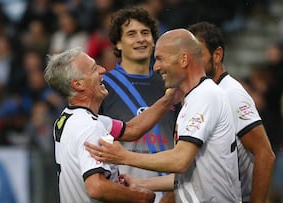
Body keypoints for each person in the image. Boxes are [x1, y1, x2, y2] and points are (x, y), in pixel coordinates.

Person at [85, 29, 242, 203]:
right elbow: (191, 173)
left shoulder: (206, 96)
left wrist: (125, 157)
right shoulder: (191, 98)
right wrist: (140, 182)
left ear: (183, 60)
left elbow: (180, 160)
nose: (156, 67)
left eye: (160, 58)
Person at [43, 47, 183, 202]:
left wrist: (168, 99)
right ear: (78, 84)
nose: (103, 70)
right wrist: (141, 197)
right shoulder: (89, 127)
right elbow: (96, 187)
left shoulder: (68, 118)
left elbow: (132, 130)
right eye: (94, 69)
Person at [188, 21, 276, 203]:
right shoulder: (200, 95)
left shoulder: (232, 94)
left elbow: (265, 155)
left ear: (217, 55)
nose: (191, 63)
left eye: (198, 54)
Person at [99, 7, 179, 202]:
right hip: (124, 192)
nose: (140, 39)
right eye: (131, 34)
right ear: (118, 43)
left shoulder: (170, 85)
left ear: (154, 40)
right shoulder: (103, 86)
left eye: (145, 33)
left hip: (169, 193)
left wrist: (172, 193)